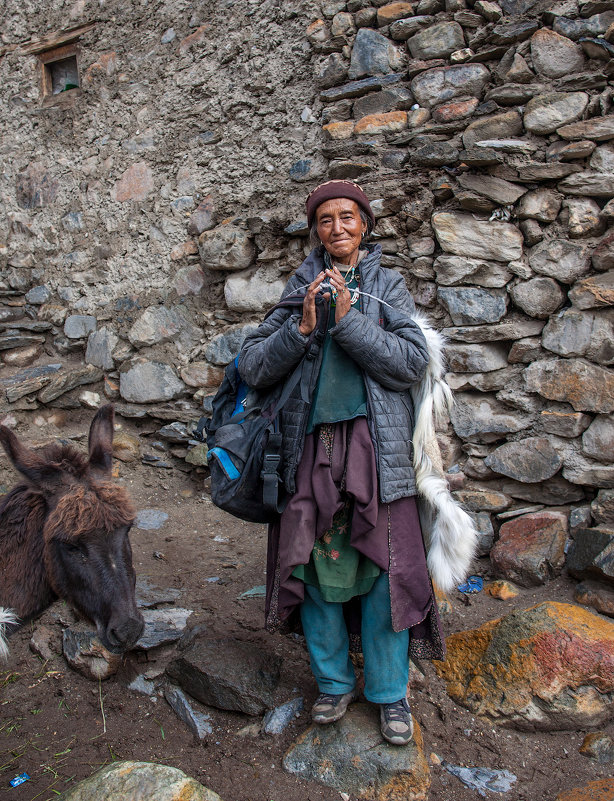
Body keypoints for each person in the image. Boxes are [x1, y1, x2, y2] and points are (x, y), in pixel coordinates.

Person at [238, 180, 477, 746]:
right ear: (315, 230)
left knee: (387, 570)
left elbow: (411, 364)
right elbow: (253, 366)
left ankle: (390, 694)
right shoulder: (300, 286)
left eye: (347, 217)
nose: (337, 227)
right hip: (308, 455)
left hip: (378, 454)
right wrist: (301, 328)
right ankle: (332, 682)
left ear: (364, 225)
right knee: (312, 567)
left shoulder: (387, 285)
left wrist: (347, 321)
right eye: (325, 220)